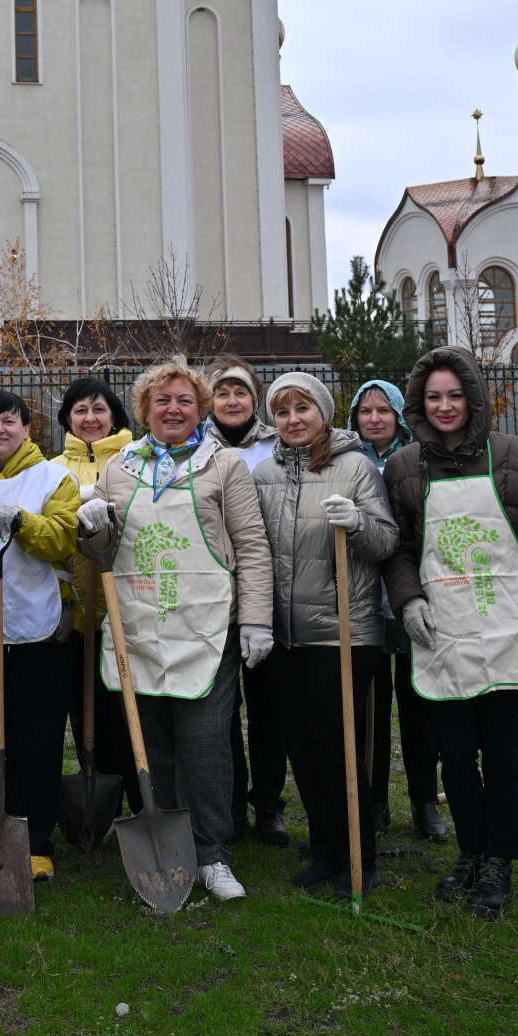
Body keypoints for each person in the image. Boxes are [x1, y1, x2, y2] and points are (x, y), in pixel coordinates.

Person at [383, 347, 518, 918]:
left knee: (501, 749)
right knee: (454, 752)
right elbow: (400, 550)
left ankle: (499, 859)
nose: (445, 406)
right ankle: (469, 853)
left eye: (455, 395)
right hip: (441, 627)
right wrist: (407, 601)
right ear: (419, 404)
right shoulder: (403, 467)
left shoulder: (511, 453)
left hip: (504, 622)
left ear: (472, 398)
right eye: (434, 397)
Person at [78, 359, 274, 902]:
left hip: (206, 627)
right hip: (140, 627)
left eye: (185, 401)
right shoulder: (119, 469)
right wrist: (90, 529)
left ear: (200, 409)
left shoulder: (224, 465)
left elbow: (253, 547)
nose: (173, 410)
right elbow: (102, 553)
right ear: (144, 409)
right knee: (154, 746)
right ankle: (166, 843)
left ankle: (212, 852)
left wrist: (256, 618)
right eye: (162, 401)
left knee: (207, 745)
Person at [253, 373, 398, 896]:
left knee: (338, 746)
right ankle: (323, 849)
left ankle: (358, 852)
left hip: (343, 633)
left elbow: (385, 542)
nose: (293, 419)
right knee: (303, 748)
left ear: (323, 412)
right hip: (286, 635)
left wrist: (357, 521)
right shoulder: (263, 473)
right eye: (283, 411)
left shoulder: (355, 466)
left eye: (303, 409)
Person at [0, 390, 80, 880]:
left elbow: (64, 539)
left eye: (9, 420)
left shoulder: (53, 477)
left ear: (28, 428)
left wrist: (23, 521)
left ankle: (37, 837)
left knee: (36, 739)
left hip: (35, 632)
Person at [346, 378, 447, 844]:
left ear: (400, 414)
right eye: (365, 411)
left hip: (410, 597)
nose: (374, 419)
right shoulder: (348, 462)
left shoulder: (420, 458)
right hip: (365, 599)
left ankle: (426, 801)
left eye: (383, 410)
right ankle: (375, 800)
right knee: (369, 712)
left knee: (420, 710)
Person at [207, 356, 290, 849]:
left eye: (240, 392)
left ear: (254, 398)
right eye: (222, 393)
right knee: (220, 709)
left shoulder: (275, 443)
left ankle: (269, 804)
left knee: (268, 709)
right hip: (216, 594)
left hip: (269, 588)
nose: (232, 401)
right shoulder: (197, 448)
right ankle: (231, 801)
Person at [50, 375, 139, 812]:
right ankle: (92, 802)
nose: (90, 419)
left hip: (123, 611)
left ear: (114, 416)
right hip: (71, 612)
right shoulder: (51, 469)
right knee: (77, 710)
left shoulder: (134, 461)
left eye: (98, 409)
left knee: (119, 716)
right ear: (67, 417)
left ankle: (132, 797)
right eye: (80, 410)